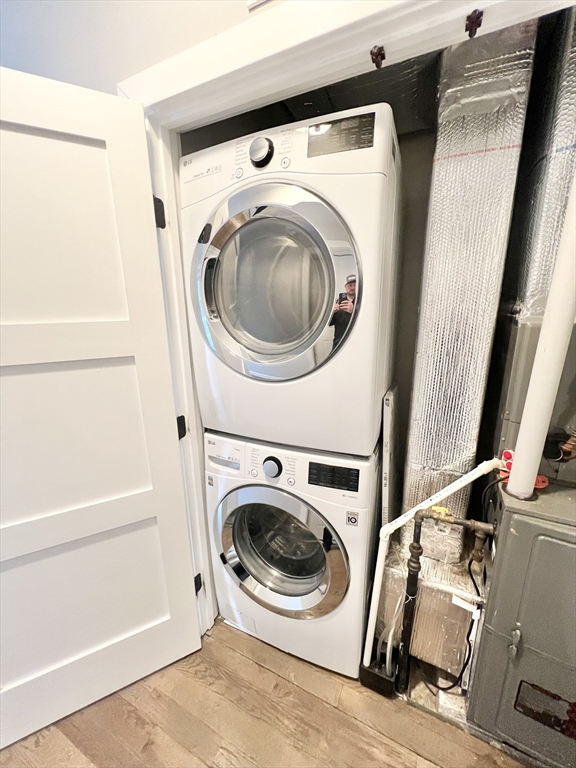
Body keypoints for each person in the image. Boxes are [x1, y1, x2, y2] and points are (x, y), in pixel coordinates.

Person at [329, 274, 356, 350]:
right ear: (345, 287)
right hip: (338, 344)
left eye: (354, 285)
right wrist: (332, 313)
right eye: (350, 285)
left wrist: (353, 311)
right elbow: (329, 323)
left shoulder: (362, 303)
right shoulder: (338, 302)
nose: (352, 287)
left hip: (356, 343)